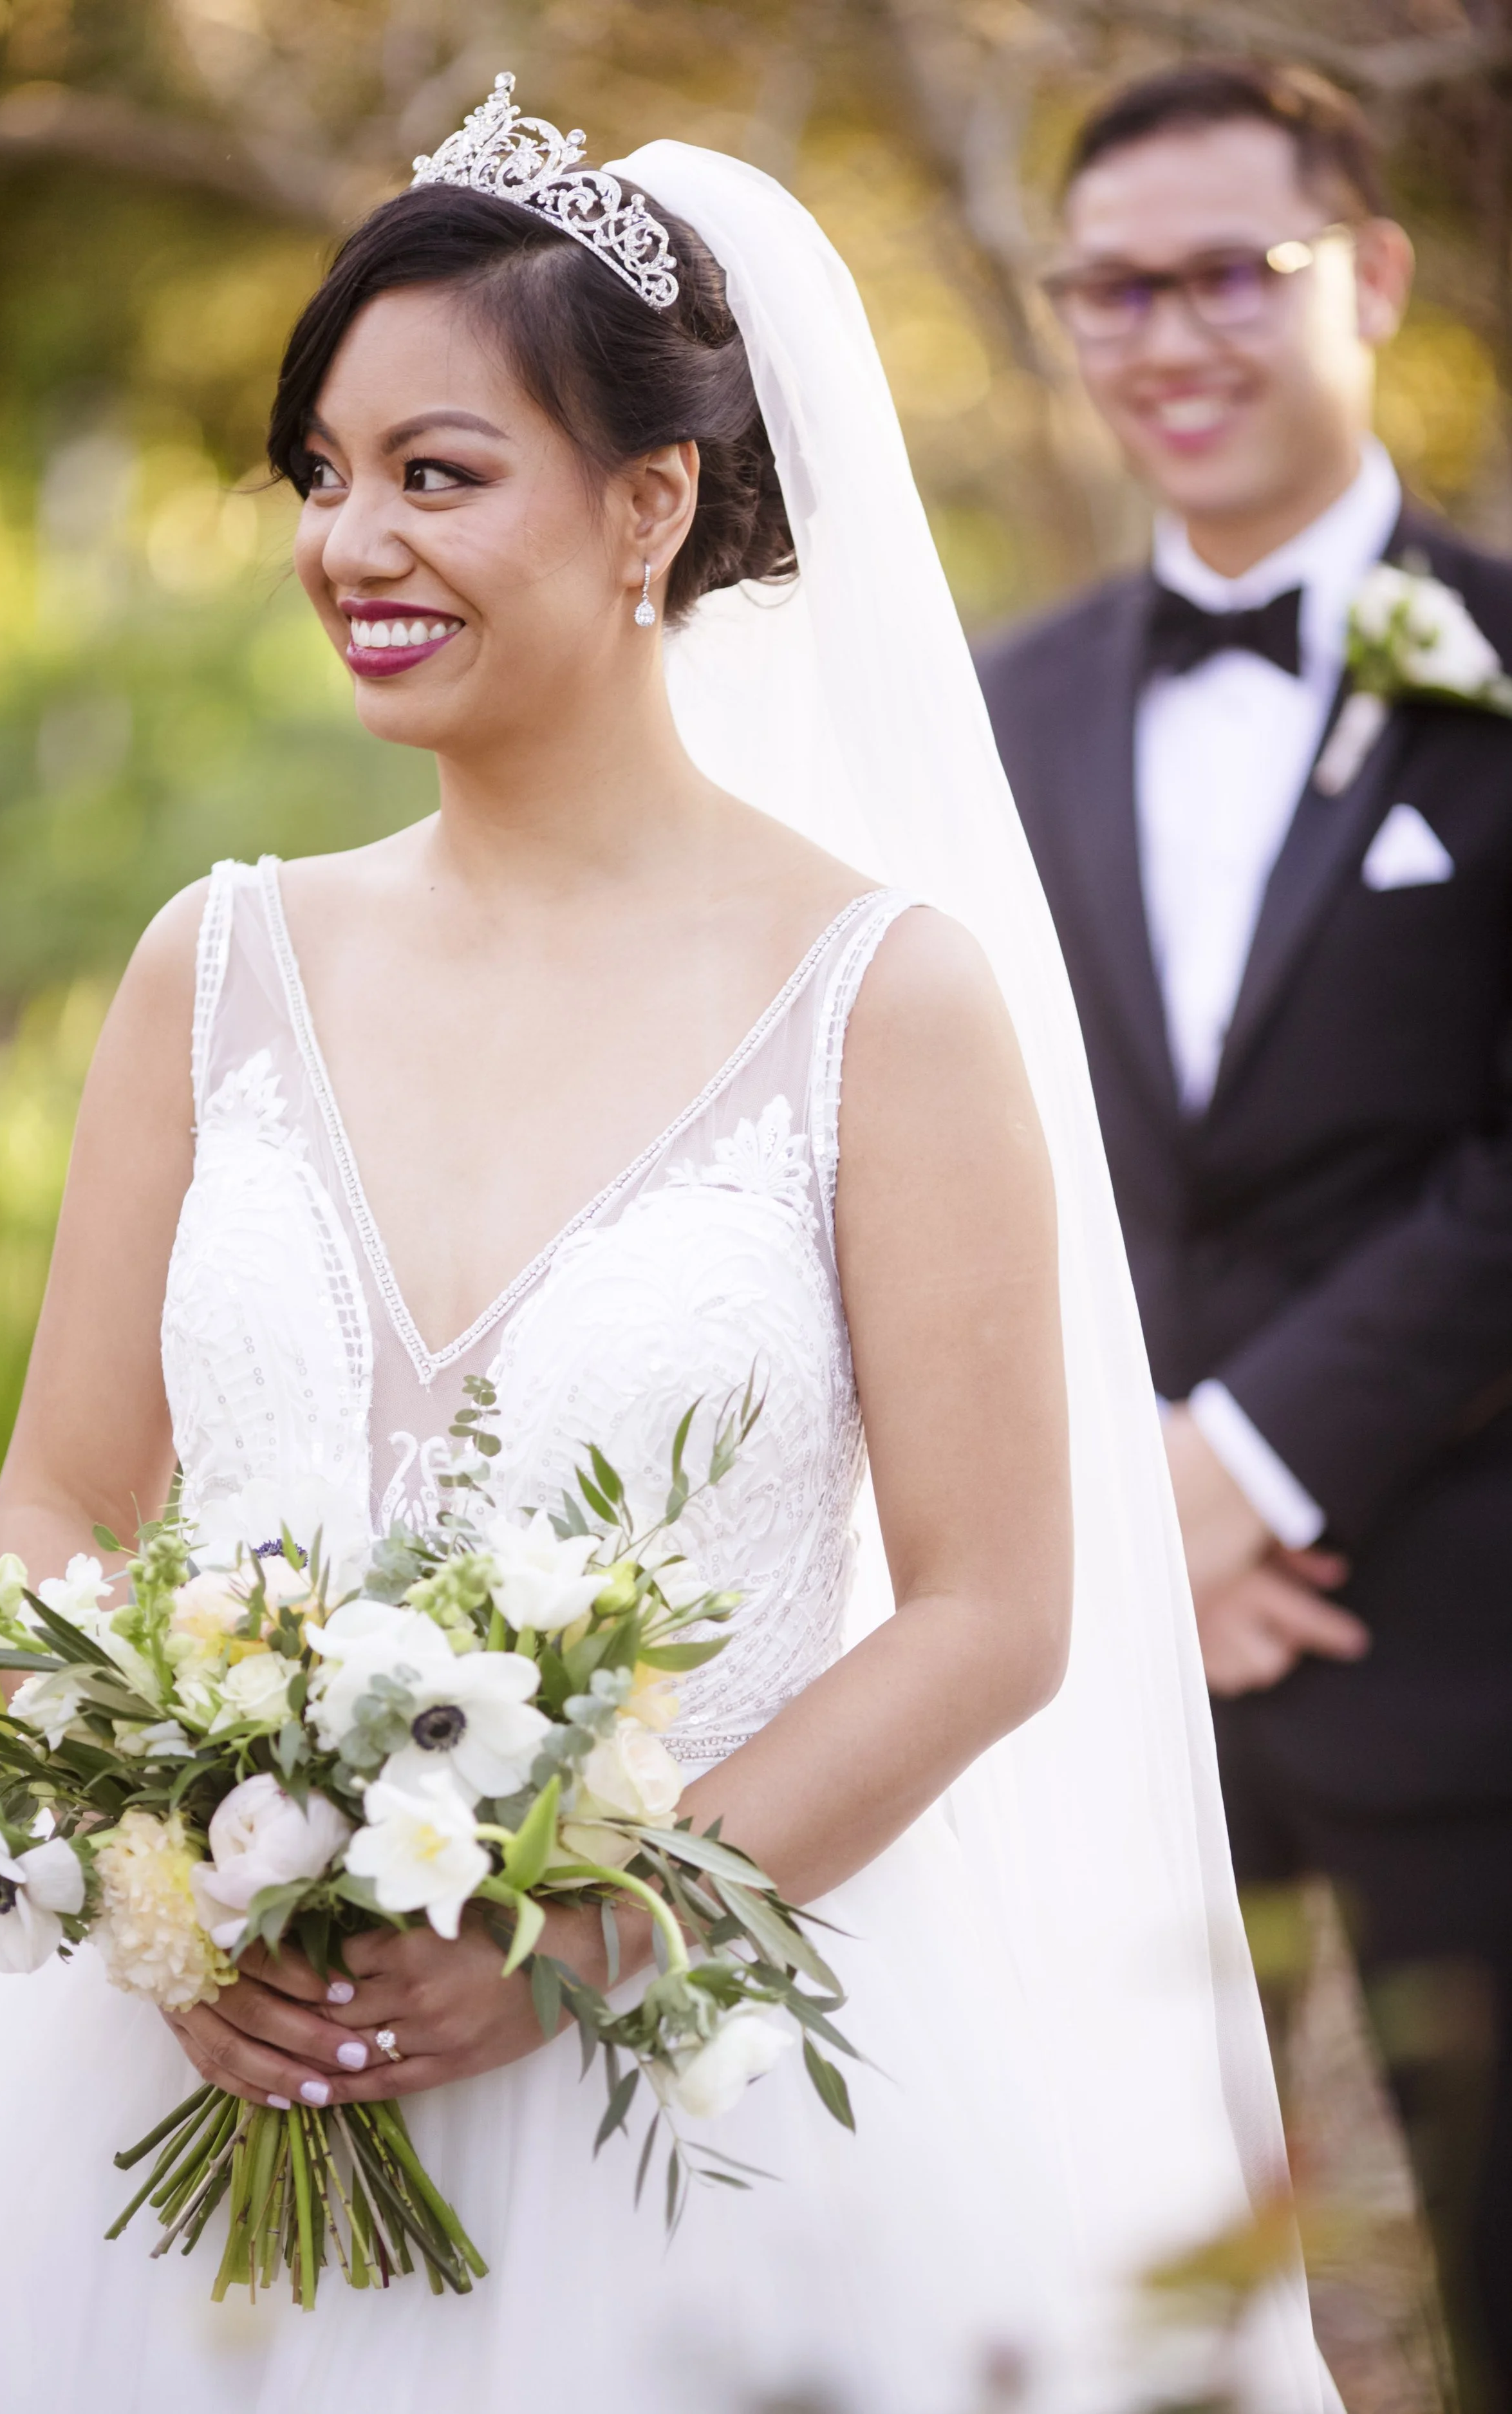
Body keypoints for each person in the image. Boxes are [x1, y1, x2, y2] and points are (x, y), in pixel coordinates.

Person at [0, 79, 1334, 2414]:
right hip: (175, 2087)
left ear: (652, 502)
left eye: (437, 472)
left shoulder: (887, 994)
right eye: (324, 473)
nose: (353, 536)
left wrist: (578, 1931)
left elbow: (989, 1609)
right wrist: (161, 1887)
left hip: (693, 2099)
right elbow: (63, 1497)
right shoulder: (215, 962)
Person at [976, 57, 1512, 2411]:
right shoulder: (992, 709)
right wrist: (1130, 1502)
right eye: (1111, 289)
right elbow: (961, 1150)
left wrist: (1246, 1463)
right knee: (1131, 2309)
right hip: (1094, 1665)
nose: (1164, 337)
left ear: (1368, 276)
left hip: (1458, 1641)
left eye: (1228, 273)